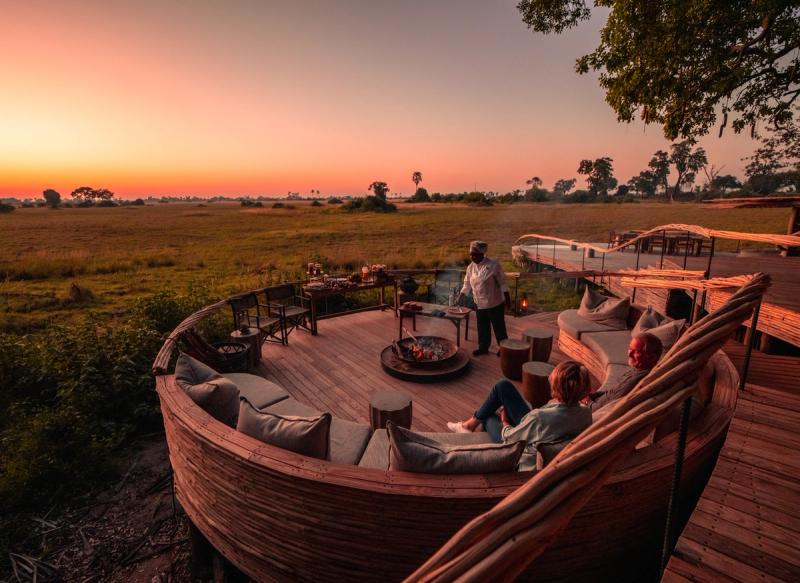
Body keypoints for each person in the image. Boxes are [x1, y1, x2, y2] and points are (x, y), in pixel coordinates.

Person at [446, 360, 593, 471]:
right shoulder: (586, 412)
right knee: (503, 386)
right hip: (541, 430)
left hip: (521, 453)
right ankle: (468, 425)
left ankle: (489, 457)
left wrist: (504, 421)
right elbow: (546, 422)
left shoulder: (539, 417)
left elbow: (510, 438)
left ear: (557, 388)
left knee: (490, 416)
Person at [455, 240, 511, 357]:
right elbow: (466, 284)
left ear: (482, 254)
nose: (472, 256)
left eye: (475, 254)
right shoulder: (470, 268)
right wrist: (460, 296)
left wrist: (508, 300)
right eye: (471, 254)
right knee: (482, 327)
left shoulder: (493, 265)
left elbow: (503, 283)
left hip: (494, 303)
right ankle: (483, 347)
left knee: (499, 327)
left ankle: (504, 348)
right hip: (479, 303)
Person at [588, 332, 662, 412]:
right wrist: (592, 396)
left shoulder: (633, 383)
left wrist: (586, 401)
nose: (629, 354)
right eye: (630, 348)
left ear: (652, 357)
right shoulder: (640, 370)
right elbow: (613, 392)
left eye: (636, 351)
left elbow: (601, 410)